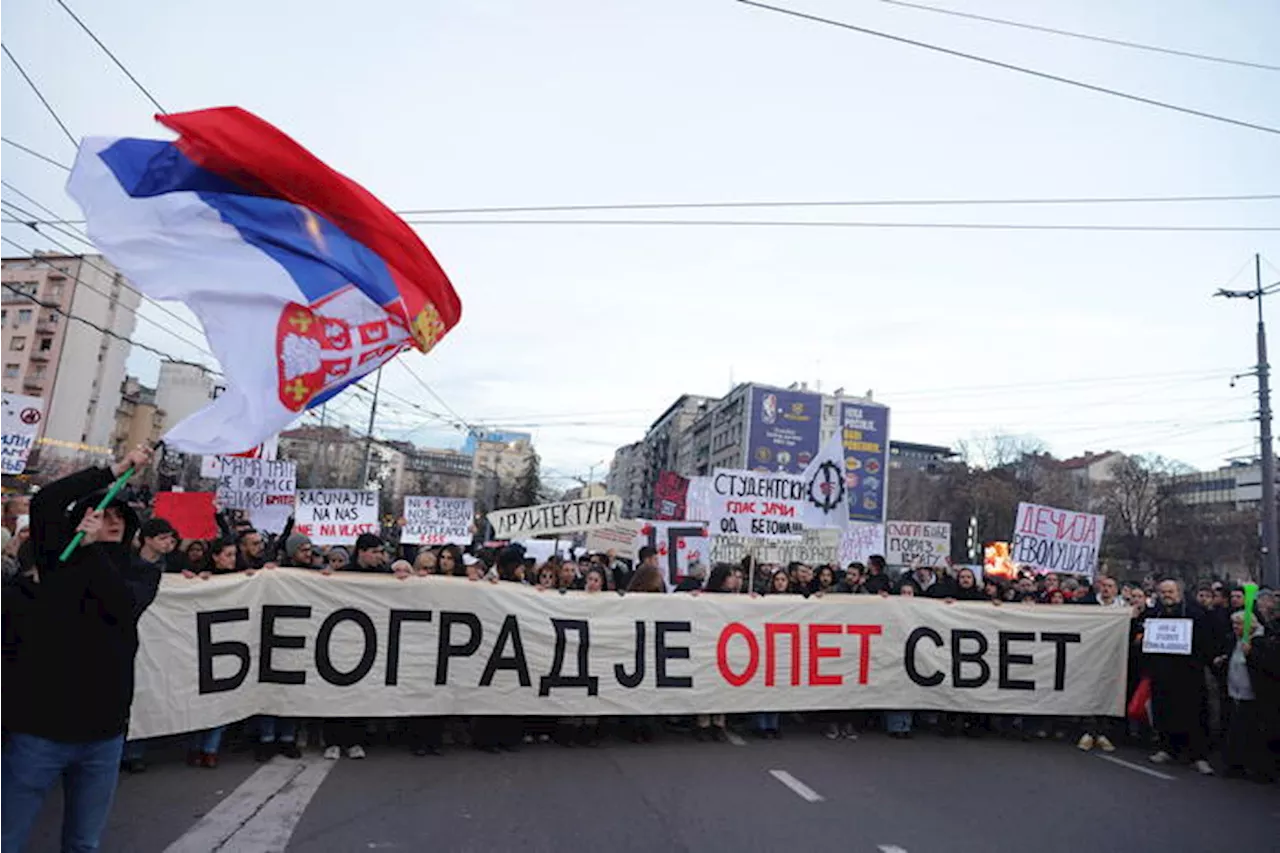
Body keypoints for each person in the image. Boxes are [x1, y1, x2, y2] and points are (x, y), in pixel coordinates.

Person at [0, 446, 156, 853]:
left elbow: (123, 605)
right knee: (7, 837)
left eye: (122, 517)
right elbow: (48, 501)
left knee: (83, 843)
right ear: (84, 518)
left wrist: (89, 552)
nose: (114, 522)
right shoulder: (58, 559)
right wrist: (114, 469)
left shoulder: (141, 572)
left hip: (103, 736)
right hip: (40, 731)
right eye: (106, 513)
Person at [1143, 579, 1214, 775]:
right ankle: (1168, 748)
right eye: (1163, 592)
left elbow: (1205, 641)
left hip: (1189, 673)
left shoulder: (1195, 613)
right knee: (1164, 710)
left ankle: (1198, 755)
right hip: (1162, 673)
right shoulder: (1154, 614)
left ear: (1179, 593)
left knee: (1194, 713)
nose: (1167, 595)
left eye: (1170, 591)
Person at [1215, 611, 1271, 780]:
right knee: (1236, 731)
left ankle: (1257, 768)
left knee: (1253, 732)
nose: (1235, 628)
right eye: (1234, 625)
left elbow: (1267, 666)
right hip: (1235, 692)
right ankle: (1235, 765)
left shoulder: (1262, 641)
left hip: (1254, 694)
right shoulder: (1234, 640)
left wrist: (1251, 654)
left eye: (1239, 625)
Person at [695, 565, 739, 741]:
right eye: (730, 576)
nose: (733, 580)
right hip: (708, 646)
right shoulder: (705, 596)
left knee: (724, 688)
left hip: (727, 648)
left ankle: (719, 723)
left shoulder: (736, 598)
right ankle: (703, 723)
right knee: (707, 684)